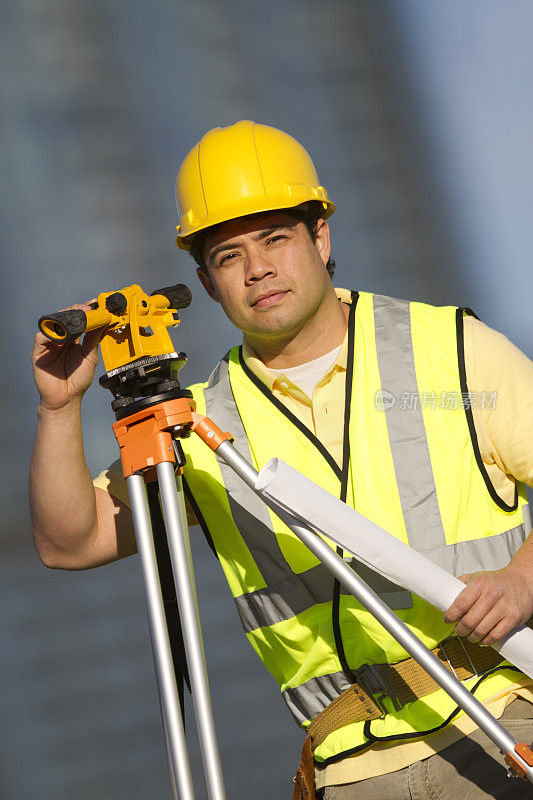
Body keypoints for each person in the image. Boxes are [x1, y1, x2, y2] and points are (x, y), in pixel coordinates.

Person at [30, 120, 533, 799]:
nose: (257, 268)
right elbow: (71, 540)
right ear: (207, 284)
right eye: (228, 255)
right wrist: (59, 410)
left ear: (320, 238)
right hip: (352, 766)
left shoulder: (452, 349)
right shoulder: (200, 425)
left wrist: (523, 580)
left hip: (501, 720)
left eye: (275, 239)